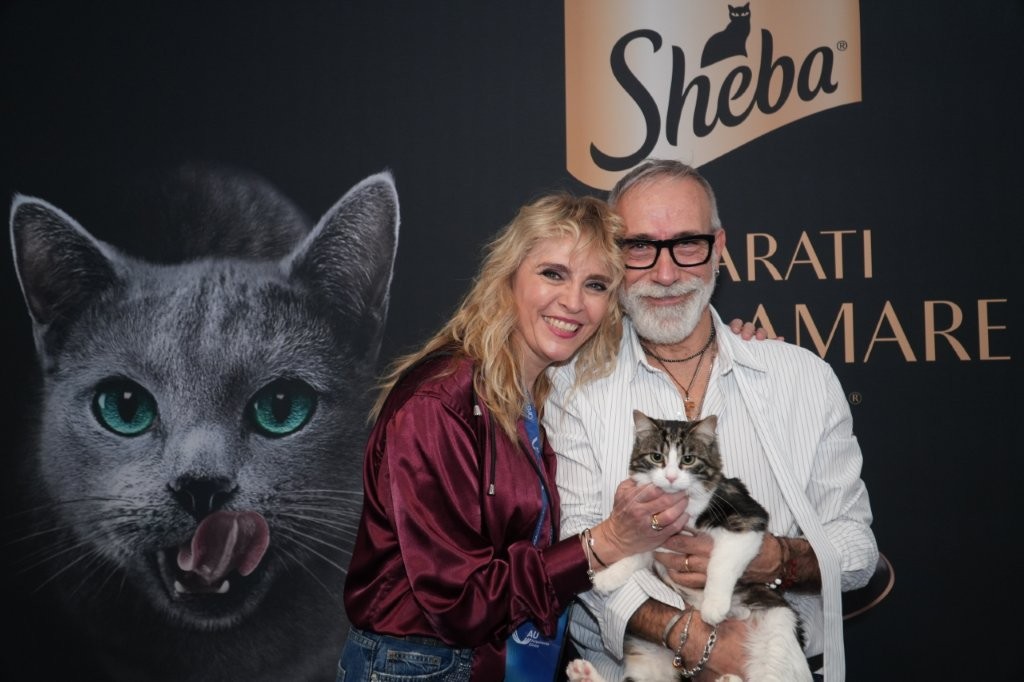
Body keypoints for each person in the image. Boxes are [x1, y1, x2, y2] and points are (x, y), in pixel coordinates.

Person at [336, 192, 694, 681]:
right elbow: (459, 602)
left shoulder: (537, 392)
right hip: (421, 667)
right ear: (508, 277)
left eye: (595, 285)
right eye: (553, 274)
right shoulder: (439, 402)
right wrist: (606, 540)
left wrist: (740, 346)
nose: (573, 302)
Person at [545, 159, 878, 681]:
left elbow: (857, 552)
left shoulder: (803, 378)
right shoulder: (572, 389)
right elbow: (578, 550)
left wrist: (773, 557)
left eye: (688, 244)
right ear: (613, 256)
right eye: (640, 247)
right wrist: (696, 640)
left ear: (719, 248)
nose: (666, 274)